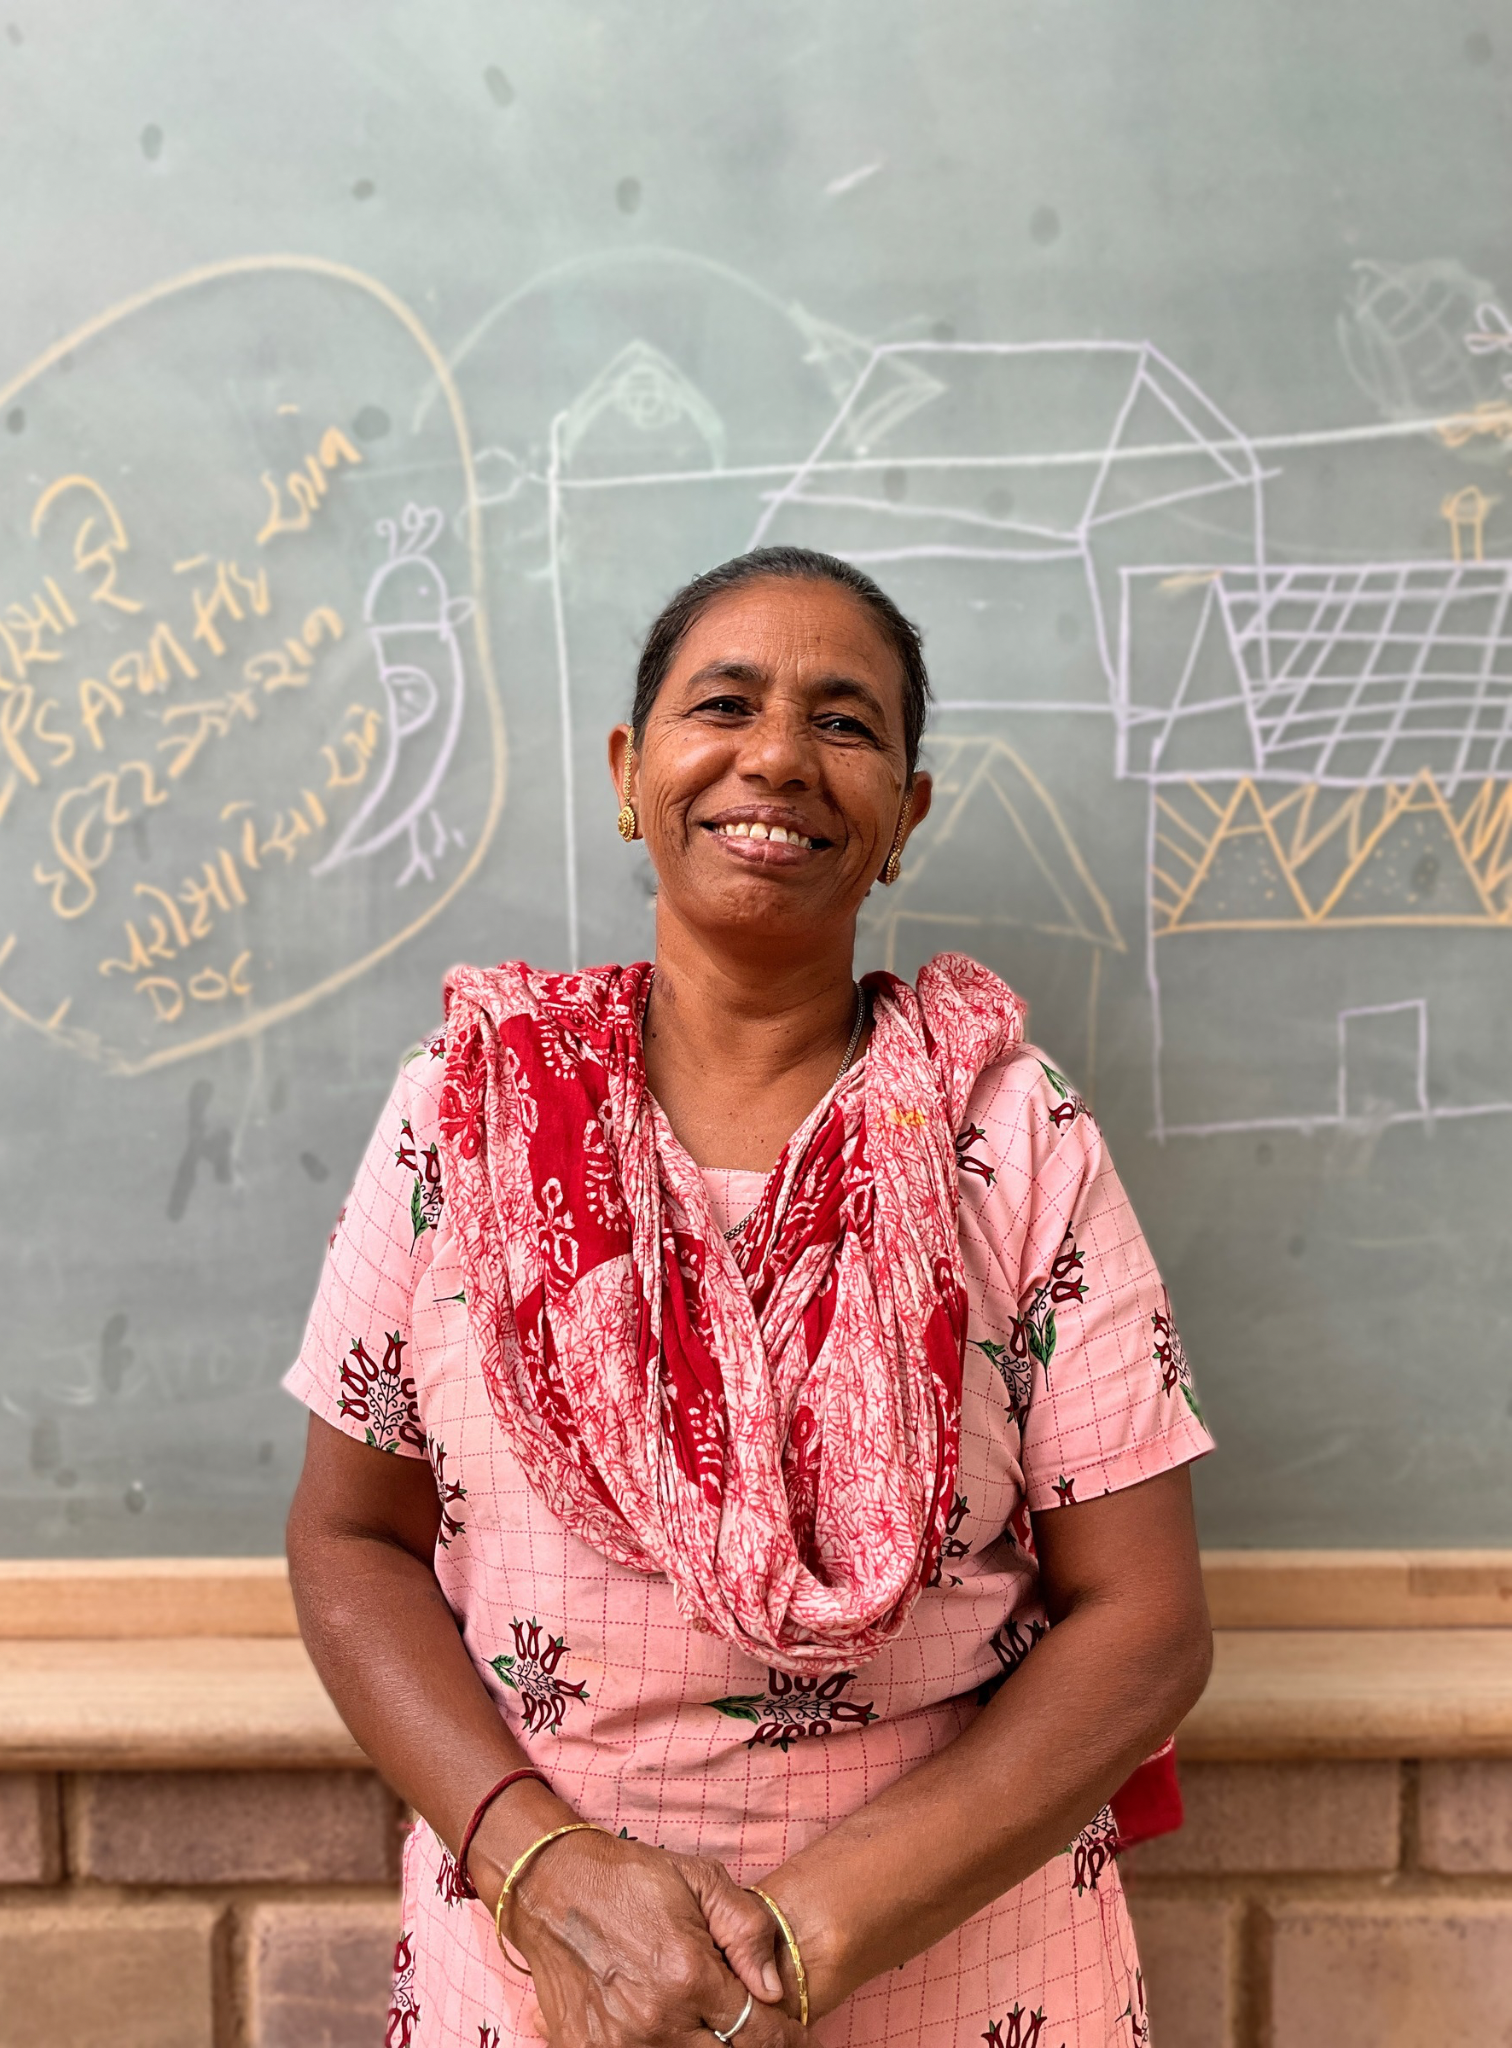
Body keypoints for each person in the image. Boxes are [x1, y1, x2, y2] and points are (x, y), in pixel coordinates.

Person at [284, 545, 1215, 2048]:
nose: (778, 756)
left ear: (904, 817)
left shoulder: (1010, 1134)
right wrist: (544, 1871)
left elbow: (1147, 1621)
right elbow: (349, 1541)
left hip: (960, 1961)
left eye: (845, 723)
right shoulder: (468, 1111)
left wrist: (800, 1939)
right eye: (725, 705)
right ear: (629, 770)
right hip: (542, 1970)